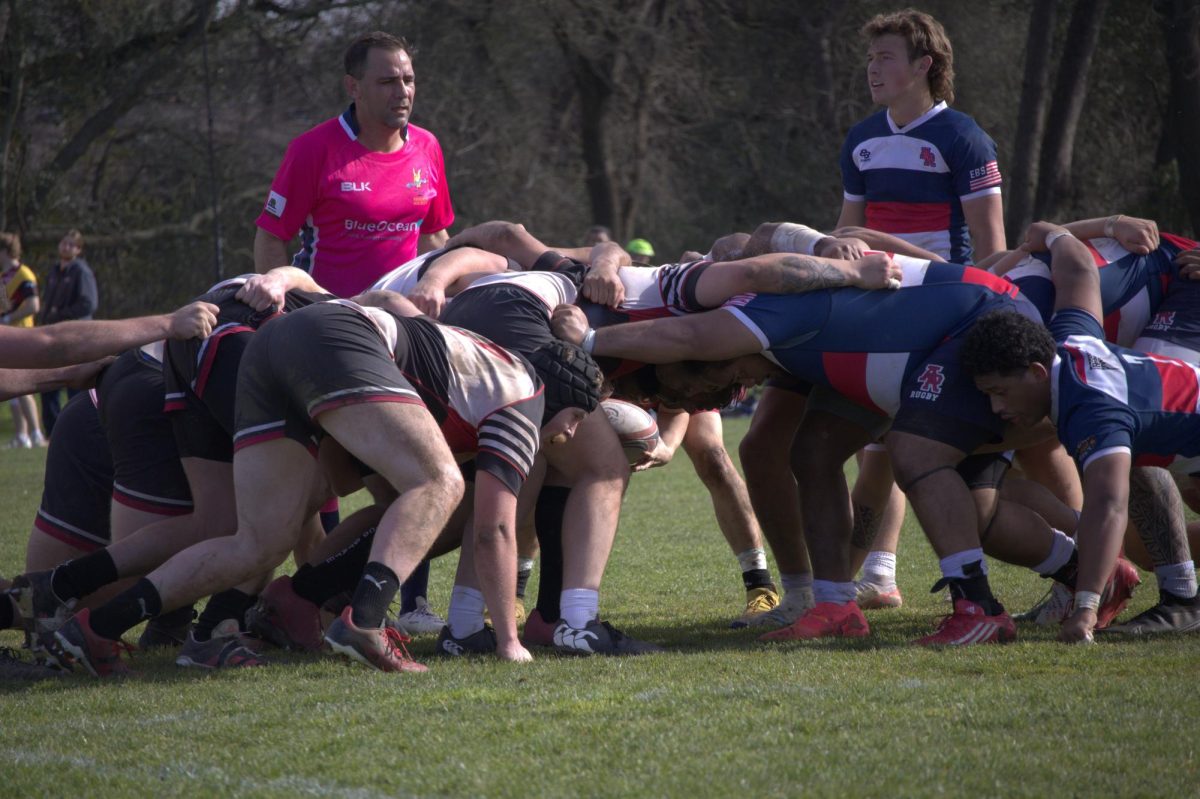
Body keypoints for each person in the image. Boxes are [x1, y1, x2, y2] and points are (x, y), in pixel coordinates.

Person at [962, 221, 1200, 642]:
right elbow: (1077, 273)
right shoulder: (1072, 339)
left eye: (1000, 393)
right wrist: (1052, 233)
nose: (997, 408)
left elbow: (1108, 506)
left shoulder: (1094, 411)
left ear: (1036, 373)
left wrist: (1086, 610)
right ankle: (1182, 599)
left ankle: (1182, 600)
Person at [253, 31, 454, 297]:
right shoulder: (312, 150)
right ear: (353, 87)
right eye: (387, 82)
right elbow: (270, 237)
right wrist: (282, 314)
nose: (402, 92)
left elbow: (434, 235)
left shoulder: (427, 146)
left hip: (401, 318)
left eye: (408, 80)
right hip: (327, 317)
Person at [837, 10, 1004, 265]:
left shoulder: (965, 138)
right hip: (874, 282)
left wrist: (984, 300)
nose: (872, 68)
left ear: (922, 66)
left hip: (940, 285)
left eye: (885, 58)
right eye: (871, 58)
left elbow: (990, 240)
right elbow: (847, 230)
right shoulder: (860, 138)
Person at [37, 229, 99, 434]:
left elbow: (89, 304)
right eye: (64, 243)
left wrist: (61, 315)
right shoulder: (55, 271)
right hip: (52, 337)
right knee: (49, 384)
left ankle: (79, 430)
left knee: (76, 385)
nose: (66, 247)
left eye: (71, 244)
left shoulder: (81, 271)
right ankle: (53, 431)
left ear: (78, 249)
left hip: (75, 338)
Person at [0, 232, 46, 448]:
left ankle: (36, 433)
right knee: (9, 386)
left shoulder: (24, 274)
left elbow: (33, 305)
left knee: (22, 386)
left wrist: (10, 317)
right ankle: (22, 435)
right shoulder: (3, 277)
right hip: (6, 337)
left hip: (23, 335)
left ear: (5, 251)